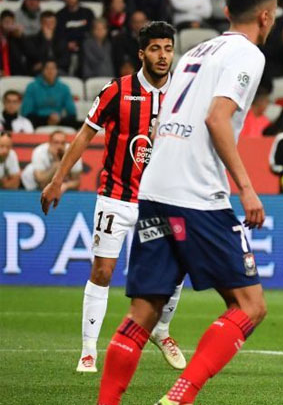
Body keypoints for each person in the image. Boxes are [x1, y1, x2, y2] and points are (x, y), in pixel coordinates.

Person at [95, 0, 275, 405]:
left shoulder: (195, 51)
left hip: (155, 188)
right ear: (266, 16)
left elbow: (163, 121)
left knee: (144, 311)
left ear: (228, 11)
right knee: (250, 306)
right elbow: (217, 118)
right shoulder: (248, 54)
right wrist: (246, 189)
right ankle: (179, 396)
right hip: (196, 195)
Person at [39, 21, 185, 374]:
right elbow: (84, 136)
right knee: (103, 271)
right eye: (155, 49)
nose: (163, 55)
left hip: (162, 200)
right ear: (142, 53)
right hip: (116, 197)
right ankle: (88, 351)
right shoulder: (116, 91)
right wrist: (57, 179)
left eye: (167, 48)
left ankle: (161, 330)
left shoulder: (182, 94)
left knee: (179, 266)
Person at [20, 130, 82, 194]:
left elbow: (77, 182)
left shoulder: (73, 152)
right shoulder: (39, 152)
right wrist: (55, 166)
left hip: (62, 186)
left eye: (62, 143)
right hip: (38, 186)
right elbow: (41, 181)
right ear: (50, 143)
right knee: (29, 170)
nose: (59, 146)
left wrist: (66, 185)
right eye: (56, 142)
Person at [21, 60, 77, 128]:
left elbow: (72, 113)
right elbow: (26, 112)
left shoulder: (64, 88)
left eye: (53, 68)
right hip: (37, 121)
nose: (50, 71)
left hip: (59, 121)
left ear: (57, 71)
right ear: (42, 71)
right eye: (47, 68)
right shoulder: (32, 87)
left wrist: (59, 119)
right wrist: (47, 119)